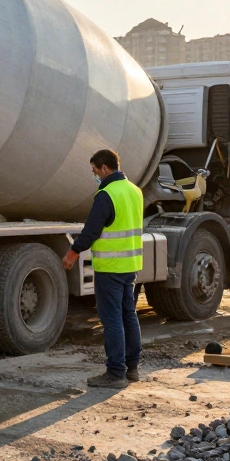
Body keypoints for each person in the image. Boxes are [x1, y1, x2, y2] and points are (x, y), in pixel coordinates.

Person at [62, 149, 143, 389]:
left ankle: (115, 372)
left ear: (105, 168)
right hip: (130, 265)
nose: (95, 175)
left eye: (95, 171)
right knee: (128, 314)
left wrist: (73, 252)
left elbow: (92, 229)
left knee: (112, 319)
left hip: (110, 267)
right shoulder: (134, 191)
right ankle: (133, 368)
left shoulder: (106, 194)